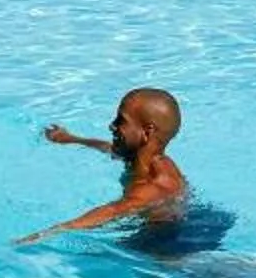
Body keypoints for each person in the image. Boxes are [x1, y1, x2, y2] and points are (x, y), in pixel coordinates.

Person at [22, 87, 189, 245]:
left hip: (168, 245)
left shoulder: (155, 185)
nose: (111, 126)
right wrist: (70, 138)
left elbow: (114, 210)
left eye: (121, 120)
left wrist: (48, 233)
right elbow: (107, 147)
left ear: (147, 132)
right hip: (156, 227)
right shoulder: (139, 156)